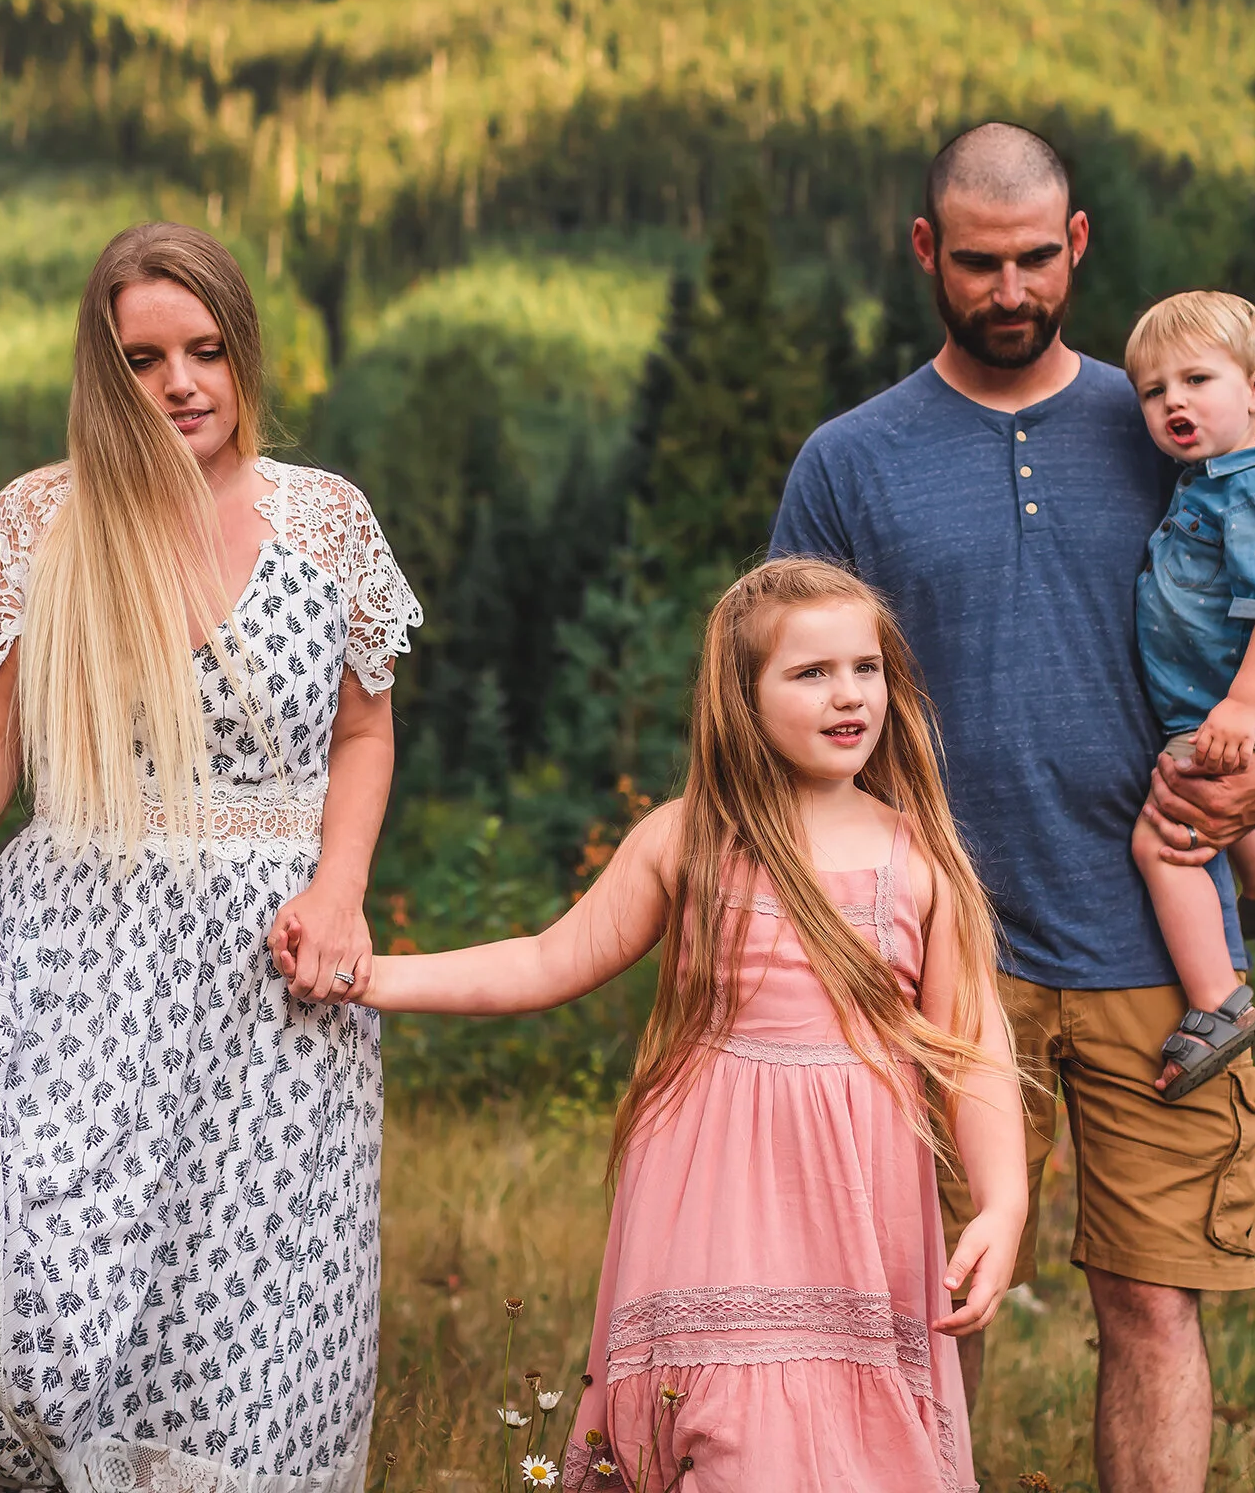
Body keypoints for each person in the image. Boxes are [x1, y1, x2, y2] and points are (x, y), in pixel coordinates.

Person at [0, 222, 421, 1493]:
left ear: (243, 353)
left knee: (253, 1313)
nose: (180, 383)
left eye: (206, 351)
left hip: (274, 969)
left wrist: (338, 890)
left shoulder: (327, 519)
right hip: (74, 953)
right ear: (101, 366)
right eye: (143, 358)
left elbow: (364, 734)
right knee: (38, 1295)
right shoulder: (41, 520)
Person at [770, 122, 1255, 1493]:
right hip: (934, 947)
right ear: (926, 251)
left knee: (1154, 1302)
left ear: (1076, 243)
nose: (1009, 289)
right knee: (931, 1299)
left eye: (1033, 257)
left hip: (1157, 951)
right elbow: (778, 699)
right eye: (977, 263)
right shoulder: (849, 460)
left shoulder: (1167, 418)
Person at [296, 558, 1023, 1493]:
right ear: (742, 697)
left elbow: (974, 1046)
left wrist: (1002, 1202)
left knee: (853, 1447)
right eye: (811, 673)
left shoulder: (917, 855)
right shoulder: (689, 838)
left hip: (858, 1204)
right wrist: (365, 976)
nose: (849, 695)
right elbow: (546, 962)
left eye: (866, 668)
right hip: (712, 1194)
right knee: (727, 1435)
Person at [1124, 290, 1255, 1099]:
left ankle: (1219, 1005)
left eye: (1197, 380)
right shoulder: (1211, 482)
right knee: (1217, 788)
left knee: (1163, 837)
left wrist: (1242, 709)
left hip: (1252, 700)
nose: (1173, 402)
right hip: (1222, 698)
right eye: (1154, 391)